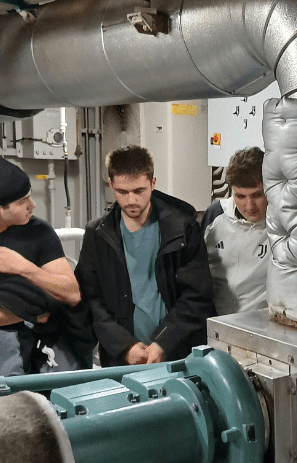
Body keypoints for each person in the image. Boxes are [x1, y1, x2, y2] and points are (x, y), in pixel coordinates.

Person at [75, 145, 214, 366]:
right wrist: (124, 346)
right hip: (122, 359)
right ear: (111, 184)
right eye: (122, 192)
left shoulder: (183, 228)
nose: (131, 200)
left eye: (139, 191)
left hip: (178, 353)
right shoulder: (98, 234)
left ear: (153, 183)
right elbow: (92, 300)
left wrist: (163, 342)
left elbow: (197, 295)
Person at [0, 154, 89, 380]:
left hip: (44, 345)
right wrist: (29, 312)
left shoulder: (39, 232)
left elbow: (71, 293)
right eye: (22, 201)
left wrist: (25, 268)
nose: (32, 205)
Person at [201, 147, 270, 315]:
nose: (249, 206)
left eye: (257, 195)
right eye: (240, 196)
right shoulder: (215, 215)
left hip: (262, 322)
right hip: (217, 320)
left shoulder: (282, 224)